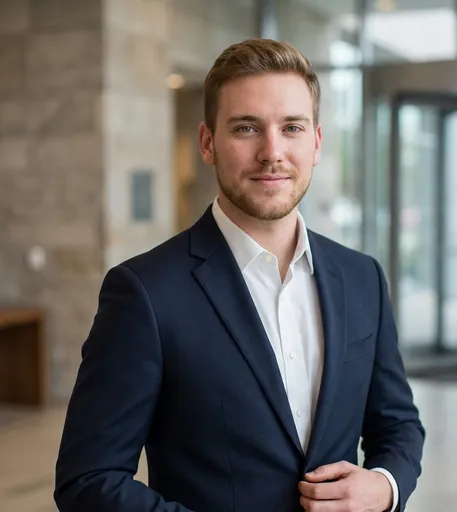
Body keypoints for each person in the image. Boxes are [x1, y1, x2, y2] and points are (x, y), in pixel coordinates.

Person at [54, 39, 425, 512]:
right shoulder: (144, 292)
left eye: (292, 127)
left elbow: (398, 424)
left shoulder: (362, 278)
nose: (272, 152)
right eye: (247, 128)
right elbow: (88, 479)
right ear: (208, 143)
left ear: (315, 142)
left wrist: (386, 485)